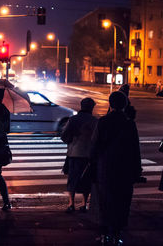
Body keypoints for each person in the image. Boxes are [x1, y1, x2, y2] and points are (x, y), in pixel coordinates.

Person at [90, 91, 142, 246]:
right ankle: (117, 233)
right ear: (125, 105)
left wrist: (92, 164)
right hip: (125, 168)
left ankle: (104, 232)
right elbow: (135, 148)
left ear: (110, 104)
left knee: (104, 200)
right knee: (122, 200)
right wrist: (137, 169)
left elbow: (95, 146)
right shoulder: (129, 123)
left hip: (105, 167)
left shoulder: (103, 121)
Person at [61, 98, 97, 213]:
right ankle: (84, 203)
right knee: (86, 180)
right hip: (89, 155)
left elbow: (64, 136)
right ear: (92, 107)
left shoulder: (73, 120)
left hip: (74, 152)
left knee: (72, 178)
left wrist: (71, 138)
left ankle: (71, 203)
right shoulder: (95, 121)